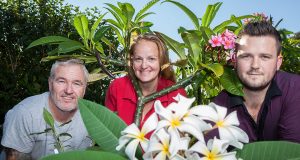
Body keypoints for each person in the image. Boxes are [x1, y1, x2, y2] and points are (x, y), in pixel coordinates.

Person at [213, 21, 300, 143]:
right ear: (235, 60)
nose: (255, 65)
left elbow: (292, 151)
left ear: (278, 62)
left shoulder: (294, 88)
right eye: (246, 56)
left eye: (265, 57)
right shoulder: (221, 103)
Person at [1, 59, 93, 160]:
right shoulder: (25, 113)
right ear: (50, 84)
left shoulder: (93, 119)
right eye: (61, 81)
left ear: (84, 89)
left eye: (76, 83)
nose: (68, 90)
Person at [105, 33, 187, 127]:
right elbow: (108, 129)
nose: (144, 66)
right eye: (138, 59)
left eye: (151, 59)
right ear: (132, 62)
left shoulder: (177, 94)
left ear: (161, 62)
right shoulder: (117, 87)